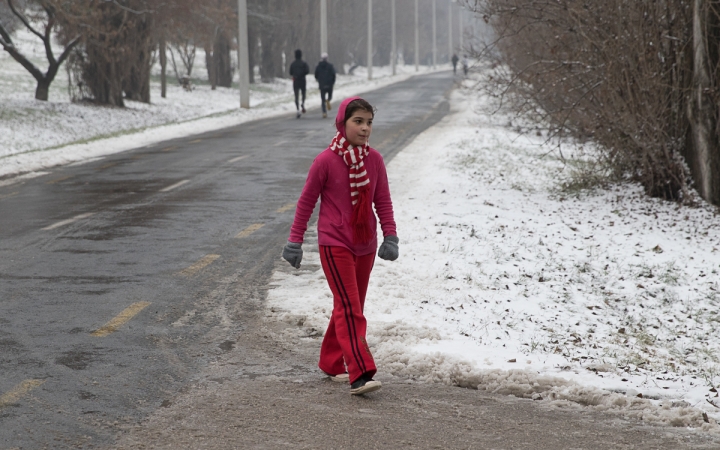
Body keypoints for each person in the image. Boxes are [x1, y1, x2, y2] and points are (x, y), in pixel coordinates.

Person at [282, 96, 399, 396]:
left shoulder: (375, 161)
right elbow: (306, 202)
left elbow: (382, 200)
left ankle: (331, 361)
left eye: (369, 122)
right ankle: (360, 372)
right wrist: (294, 241)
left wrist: (391, 236)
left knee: (350, 306)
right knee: (351, 308)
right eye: (357, 122)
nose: (364, 129)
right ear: (342, 123)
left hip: (366, 245)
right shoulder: (325, 161)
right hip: (334, 243)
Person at [314, 52, 336, 119]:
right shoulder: (330, 66)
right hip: (329, 84)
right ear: (327, 58)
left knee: (322, 99)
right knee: (330, 96)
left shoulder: (318, 66)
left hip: (322, 84)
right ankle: (328, 100)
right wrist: (332, 82)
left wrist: (319, 80)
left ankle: (324, 112)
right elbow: (334, 75)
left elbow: (316, 75)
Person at [289, 49, 310, 118]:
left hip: (295, 80)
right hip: (302, 80)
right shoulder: (304, 63)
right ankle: (303, 103)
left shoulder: (293, 64)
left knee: (296, 95)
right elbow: (307, 71)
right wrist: (302, 74)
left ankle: (298, 109)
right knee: (303, 93)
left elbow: (290, 72)